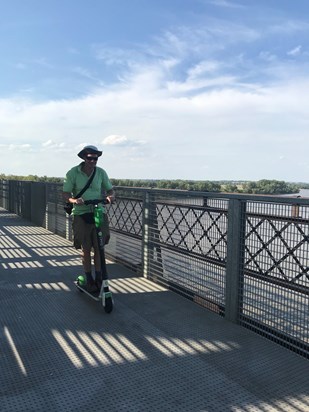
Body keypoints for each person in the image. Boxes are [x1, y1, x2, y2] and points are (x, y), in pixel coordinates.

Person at [63, 145, 115, 292]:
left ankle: (99, 278)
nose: (93, 161)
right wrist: (74, 200)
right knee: (86, 249)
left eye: (96, 158)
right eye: (90, 158)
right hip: (81, 214)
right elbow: (65, 193)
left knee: (99, 248)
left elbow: (110, 189)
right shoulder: (73, 173)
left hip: (98, 212)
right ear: (84, 158)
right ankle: (89, 279)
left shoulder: (101, 173)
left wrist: (111, 196)